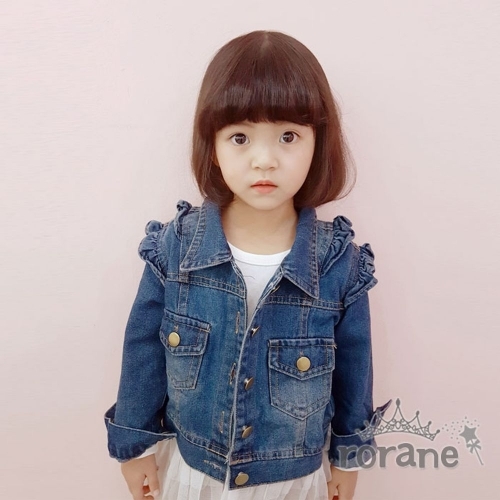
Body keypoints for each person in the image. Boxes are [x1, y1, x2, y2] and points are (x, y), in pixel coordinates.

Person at [104, 30, 391, 500]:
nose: (264, 160)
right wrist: (133, 446)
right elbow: (142, 350)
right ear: (213, 145)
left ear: (317, 143)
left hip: (292, 482)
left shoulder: (339, 263)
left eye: (288, 136)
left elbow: (355, 371)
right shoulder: (174, 249)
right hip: (192, 476)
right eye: (240, 137)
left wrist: (348, 459)